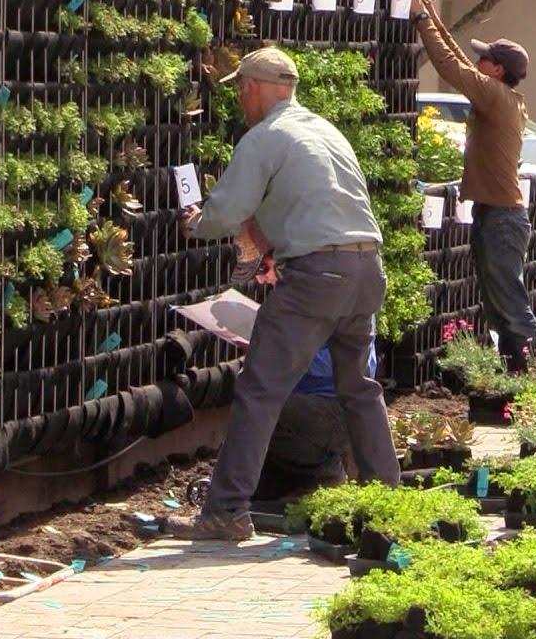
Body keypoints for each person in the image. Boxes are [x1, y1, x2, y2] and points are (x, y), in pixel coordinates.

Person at [170, 46, 401, 541]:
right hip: (366, 268)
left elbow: (228, 209)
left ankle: (225, 512)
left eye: (239, 91)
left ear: (252, 88)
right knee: (360, 389)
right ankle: (389, 508)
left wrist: (197, 224)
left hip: (317, 276)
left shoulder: (265, 136)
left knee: (259, 389)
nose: (238, 101)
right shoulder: (325, 131)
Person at [410, 0, 536, 372]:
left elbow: (451, 68)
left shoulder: (496, 97)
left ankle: (533, 379)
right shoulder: (502, 95)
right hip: (497, 215)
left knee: (511, 306)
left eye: (485, 57)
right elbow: (462, 62)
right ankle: (516, 376)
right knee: (500, 306)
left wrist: (420, 19)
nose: (478, 61)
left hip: (502, 219)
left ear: (497, 70)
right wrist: (431, 14)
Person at [255, 344, 377, 501]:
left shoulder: (335, 324)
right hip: (323, 409)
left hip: (331, 407)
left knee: (252, 403)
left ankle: (327, 472)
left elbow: (344, 364)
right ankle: (323, 476)